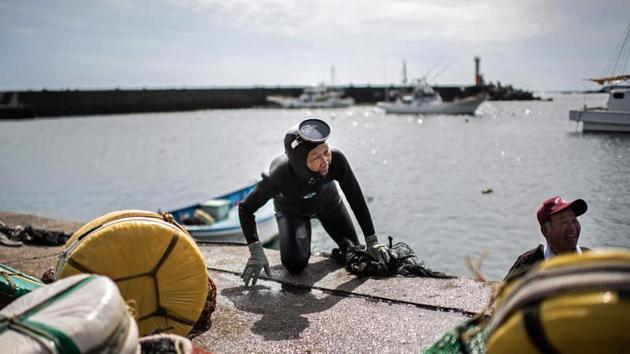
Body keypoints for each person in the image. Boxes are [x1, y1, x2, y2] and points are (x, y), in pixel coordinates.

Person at [238, 119, 392, 286]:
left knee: (354, 250)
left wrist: (372, 240)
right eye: (315, 157)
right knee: (294, 265)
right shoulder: (278, 177)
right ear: (299, 162)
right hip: (292, 213)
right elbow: (245, 209)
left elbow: (355, 197)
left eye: (325, 151)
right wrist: (255, 251)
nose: (325, 161)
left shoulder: (337, 160)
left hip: (329, 204)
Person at [504, 196, 589, 280]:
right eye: (563, 222)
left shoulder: (592, 258)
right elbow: (504, 293)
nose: (572, 228)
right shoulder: (527, 265)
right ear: (545, 231)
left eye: (574, 220)